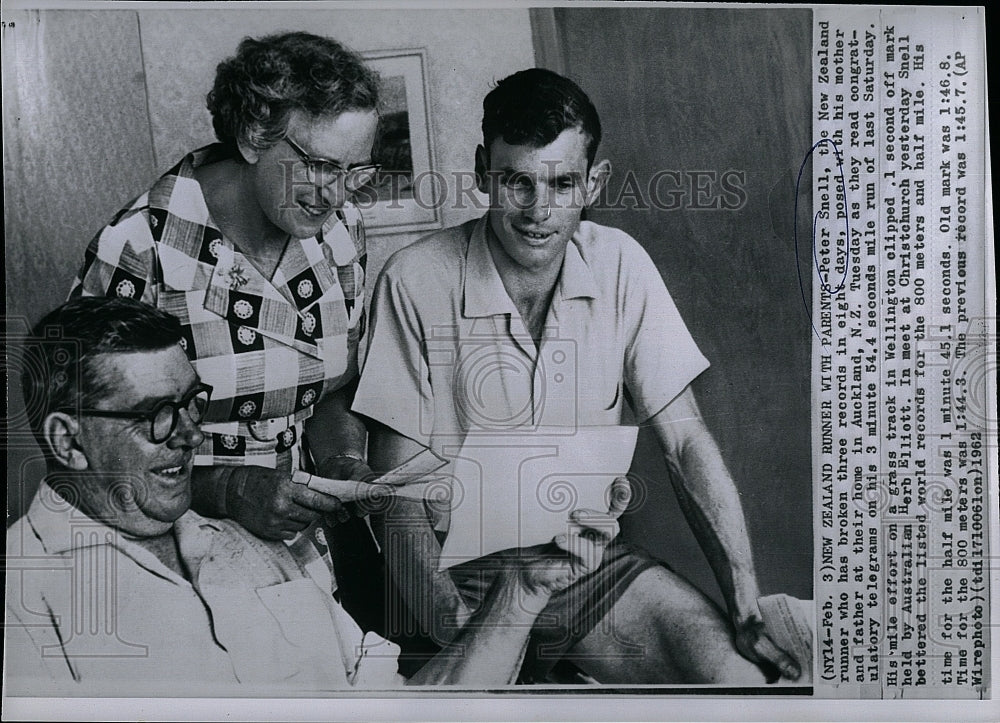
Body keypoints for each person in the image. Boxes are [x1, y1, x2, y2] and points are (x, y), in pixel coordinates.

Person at [353, 68, 804, 684]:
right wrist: (468, 639)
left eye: (563, 184)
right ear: (485, 169)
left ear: (595, 180)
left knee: (734, 679)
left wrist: (746, 601)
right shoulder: (413, 279)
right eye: (517, 182)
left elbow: (685, 442)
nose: (539, 213)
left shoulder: (620, 261)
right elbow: (398, 500)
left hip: (580, 567)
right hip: (454, 580)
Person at [4, 296, 629, 695]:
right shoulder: (23, 596)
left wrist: (523, 591)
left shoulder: (254, 544)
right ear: (69, 440)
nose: (192, 435)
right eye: (156, 416)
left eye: (192, 403)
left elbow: (408, 711)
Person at [68, 32, 385, 627]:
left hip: (296, 543)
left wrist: (343, 465)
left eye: (353, 171)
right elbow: (93, 447)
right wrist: (233, 489)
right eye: (317, 166)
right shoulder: (142, 248)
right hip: (160, 548)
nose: (336, 194)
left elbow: (332, 387)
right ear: (251, 135)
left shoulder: (342, 233)